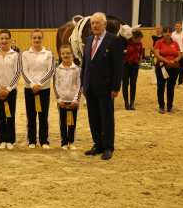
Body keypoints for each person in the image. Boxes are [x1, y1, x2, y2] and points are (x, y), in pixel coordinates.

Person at [81, 12, 123, 161]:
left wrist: (115, 88)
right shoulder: (88, 40)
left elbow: (118, 67)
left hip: (106, 88)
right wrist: (83, 85)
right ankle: (97, 144)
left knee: (107, 118)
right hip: (90, 87)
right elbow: (85, 64)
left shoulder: (114, 41)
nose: (95, 25)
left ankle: (108, 147)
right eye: (93, 23)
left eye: (98, 23)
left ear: (105, 24)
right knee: (93, 117)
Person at [21, 29, 55, 149]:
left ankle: (44, 140)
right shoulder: (25, 54)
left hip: (44, 89)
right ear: (31, 39)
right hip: (29, 89)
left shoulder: (48, 54)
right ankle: (31, 141)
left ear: (42, 39)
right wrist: (32, 85)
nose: (37, 40)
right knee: (31, 116)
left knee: (43, 116)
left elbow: (50, 70)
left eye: (39, 38)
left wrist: (39, 84)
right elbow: (24, 71)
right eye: (34, 37)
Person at [0, 29, 20, 149]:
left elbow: (18, 73)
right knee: (0, 114)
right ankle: (2, 139)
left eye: (6, 38)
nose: (4, 40)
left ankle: (10, 140)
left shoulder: (15, 55)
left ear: (10, 40)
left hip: (11, 90)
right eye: (1, 38)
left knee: (10, 115)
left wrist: (8, 88)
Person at [53, 44, 81, 150]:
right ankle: (64, 142)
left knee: (72, 122)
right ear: (60, 55)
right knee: (63, 122)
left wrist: (76, 100)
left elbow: (79, 85)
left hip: (73, 101)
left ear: (72, 54)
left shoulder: (77, 69)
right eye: (63, 53)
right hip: (62, 101)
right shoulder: (57, 69)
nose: (66, 55)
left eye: (68, 53)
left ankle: (71, 141)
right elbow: (55, 85)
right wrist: (58, 99)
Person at [153, 27, 182, 114]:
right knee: (161, 87)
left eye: (169, 32)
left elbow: (179, 54)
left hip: (174, 67)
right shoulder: (159, 42)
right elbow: (157, 54)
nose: (168, 34)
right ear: (163, 33)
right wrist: (167, 61)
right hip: (161, 67)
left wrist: (176, 60)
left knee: (171, 87)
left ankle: (170, 106)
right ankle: (161, 106)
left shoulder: (175, 43)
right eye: (166, 32)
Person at [122, 30, 143, 110]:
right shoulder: (126, 43)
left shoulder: (140, 44)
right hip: (126, 65)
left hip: (135, 66)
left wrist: (139, 62)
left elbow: (141, 53)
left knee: (133, 84)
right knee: (125, 84)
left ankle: (132, 103)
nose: (139, 40)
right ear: (133, 38)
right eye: (138, 39)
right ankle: (126, 102)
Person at [171, 22, 183, 86]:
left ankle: (180, 82)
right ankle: (173, 82)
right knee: (174, 68)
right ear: (175, 27)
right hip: (175, 53)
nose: (177, 27)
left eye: (179, 26)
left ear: (181, 27)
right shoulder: (172, 34)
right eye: (176, 26)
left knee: (182, 69)